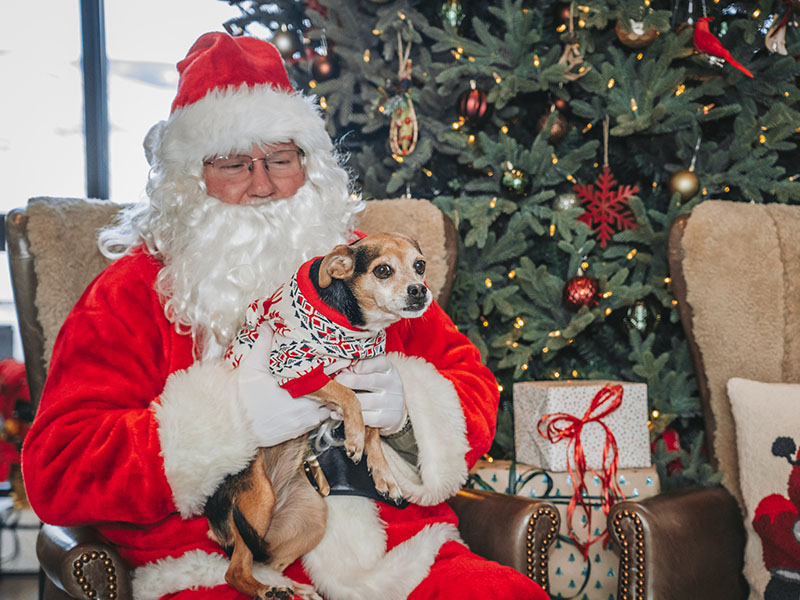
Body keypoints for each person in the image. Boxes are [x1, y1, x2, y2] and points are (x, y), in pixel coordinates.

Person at [20, 32, 548, 600]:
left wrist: (412, 408)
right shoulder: (131, 292)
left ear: (309, 165)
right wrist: (228, 423)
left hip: (389, 551)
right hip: (209, 562)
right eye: (233, 164)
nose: (264, 185)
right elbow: (60, 466)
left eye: (280, 158)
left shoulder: (367, 266)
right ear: (189, 182)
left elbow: (470, 384)